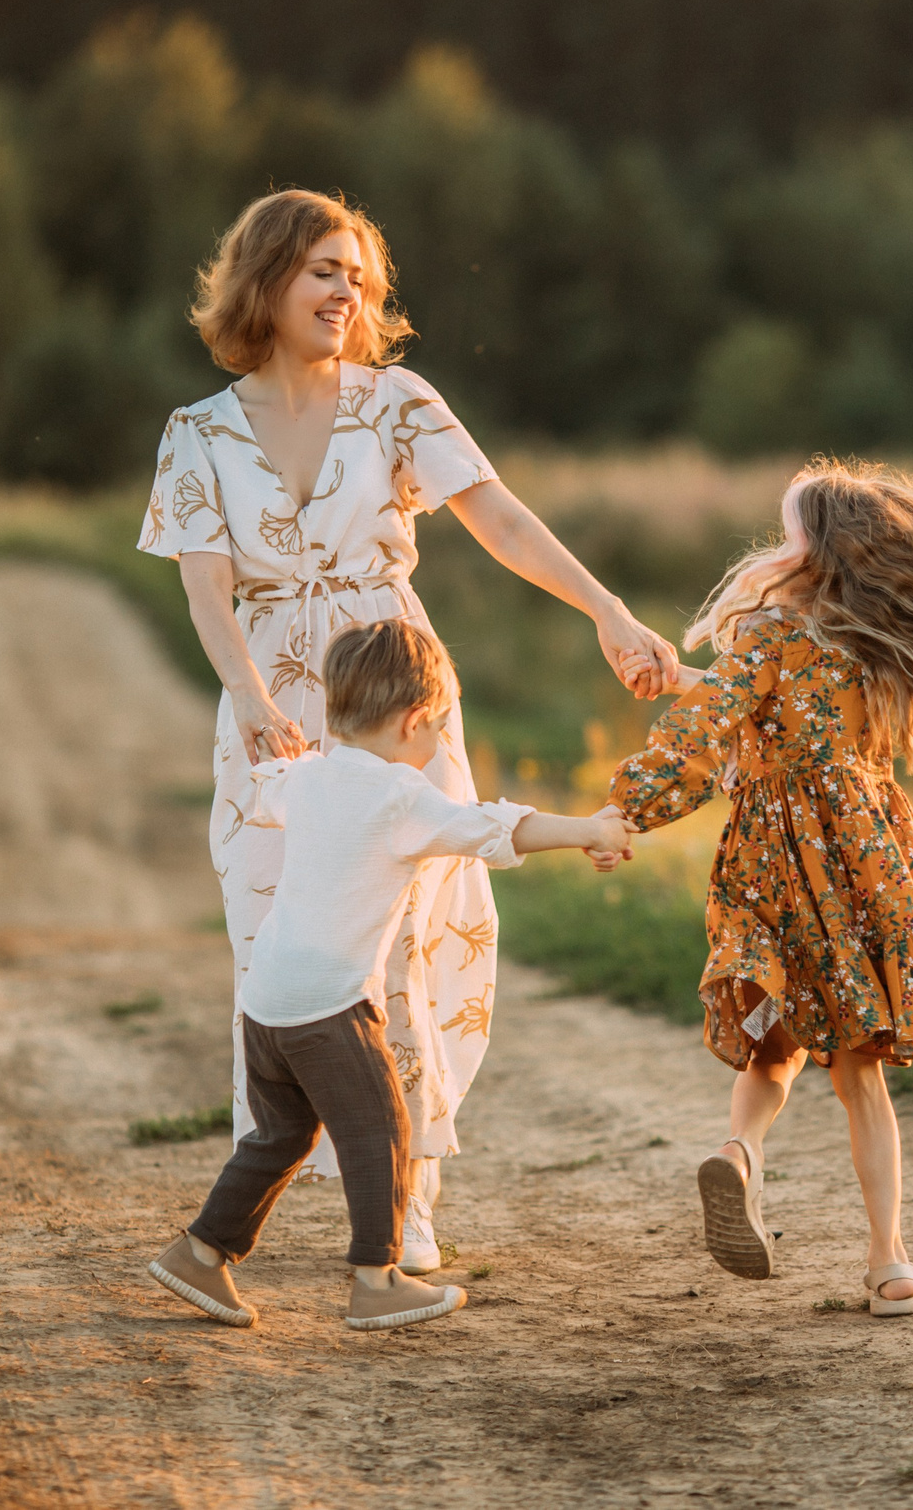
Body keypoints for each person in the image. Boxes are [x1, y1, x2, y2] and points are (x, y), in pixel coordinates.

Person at [138, 190, 677, 1273]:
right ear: (266, 281)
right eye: (323, 272)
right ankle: (285, 1168)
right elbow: (205, 589)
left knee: (409, 932)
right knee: (281, 934)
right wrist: (247, 696)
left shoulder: (399, 402)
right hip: (273, 698)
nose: (347, 293)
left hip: (394, 689)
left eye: (358, 276)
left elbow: (501, 518)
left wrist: (607, 611)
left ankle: (409, 1192)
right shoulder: (195, 431)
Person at [607, 461, 913, 1316]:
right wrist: (679, 674)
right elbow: (790, 708)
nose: (777, 544)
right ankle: (889, 1260)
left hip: (772, 855)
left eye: (789, 530)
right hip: (863, 856)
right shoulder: (870, 639)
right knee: (861, 1070)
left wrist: (627, 811)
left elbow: (712, 722)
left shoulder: (764, 634)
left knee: (772, 1041)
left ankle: (740, 1151)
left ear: (817, 547)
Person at [147, 619, 634, 1331]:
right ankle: (377, 1278)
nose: (438, 742)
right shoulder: (402, 799)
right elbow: (494, 826)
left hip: (267, 1004)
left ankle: (200, 1251)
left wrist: (280, 755)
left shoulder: (307, 777)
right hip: (329, 1007)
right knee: (382, 1129)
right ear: (413, 722)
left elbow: (265, 790)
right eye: (437, 728)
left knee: (280, 1137)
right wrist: (590, 828)